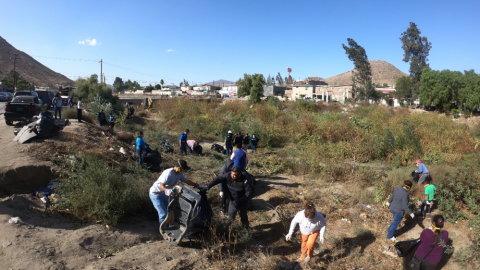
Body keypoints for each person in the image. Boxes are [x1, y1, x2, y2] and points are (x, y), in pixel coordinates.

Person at [149, 160, 203, 225]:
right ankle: (163, 230)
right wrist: (167, 191)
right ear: (179, 167)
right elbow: (161, 185)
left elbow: (187, 181)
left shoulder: (179, 174)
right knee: (163, 214)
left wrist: (198, 186)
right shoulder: (168, 173)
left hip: (165, 194)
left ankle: (165, 225)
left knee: (168, 211)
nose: (184, 170)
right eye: (183, 168)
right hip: (156, 194)